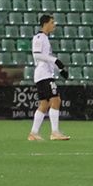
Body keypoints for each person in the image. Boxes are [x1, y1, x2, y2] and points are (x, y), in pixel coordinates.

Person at [28, 13, 69, 141]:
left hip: (43, 74)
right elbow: (37, 55)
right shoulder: (39, 37)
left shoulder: (44, 38)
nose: (54, 25)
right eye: (52, 22)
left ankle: (34, 133)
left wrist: (59, 68)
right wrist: (56, 61)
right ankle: (55, 132)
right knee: (56, 100)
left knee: (44, 104)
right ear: (45, 24)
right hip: (43, 74)